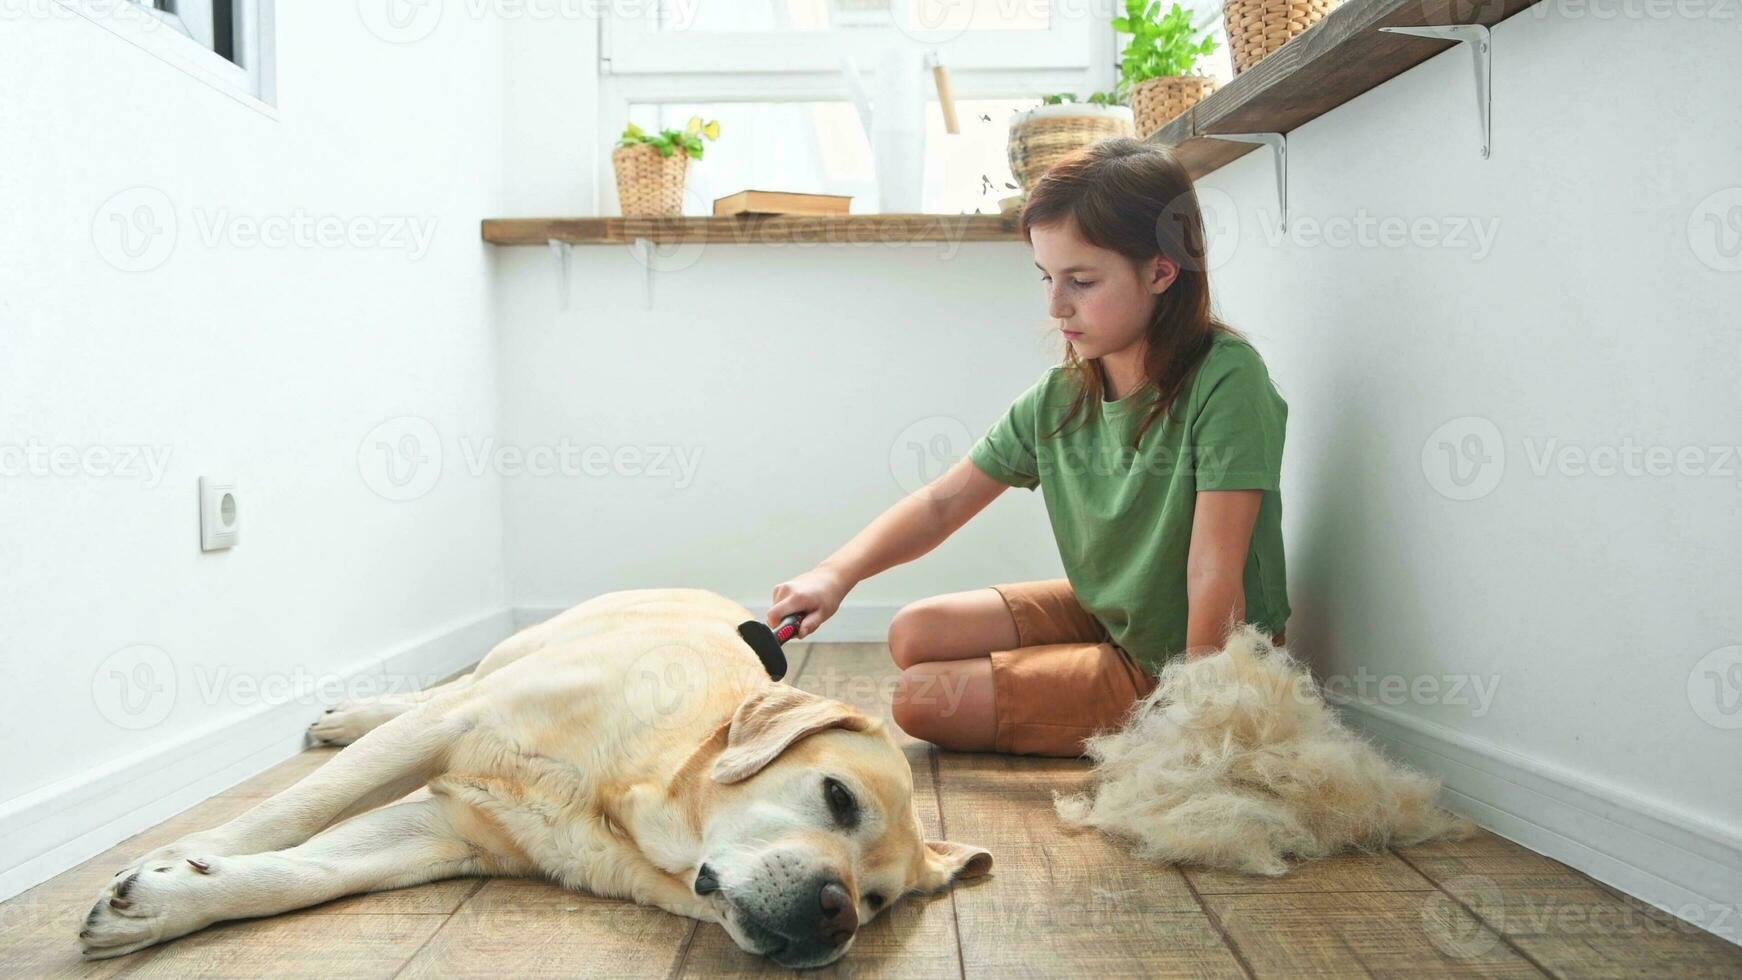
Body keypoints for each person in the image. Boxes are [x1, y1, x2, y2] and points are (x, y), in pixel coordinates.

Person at [765, 138, 1290, 757]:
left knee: (920, 700)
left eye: (1082, 281)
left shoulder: (1226, 378)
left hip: (1181, 658)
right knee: (912, 632)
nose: (1056, 305)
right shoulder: (1064, 394)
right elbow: (941, 505)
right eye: (1046, 277)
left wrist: (1202, 712)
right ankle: (1076, 674)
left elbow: (1214, 568)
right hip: (1110, 610)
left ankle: (1110, 690)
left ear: (1161, 270)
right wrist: (834, 576)